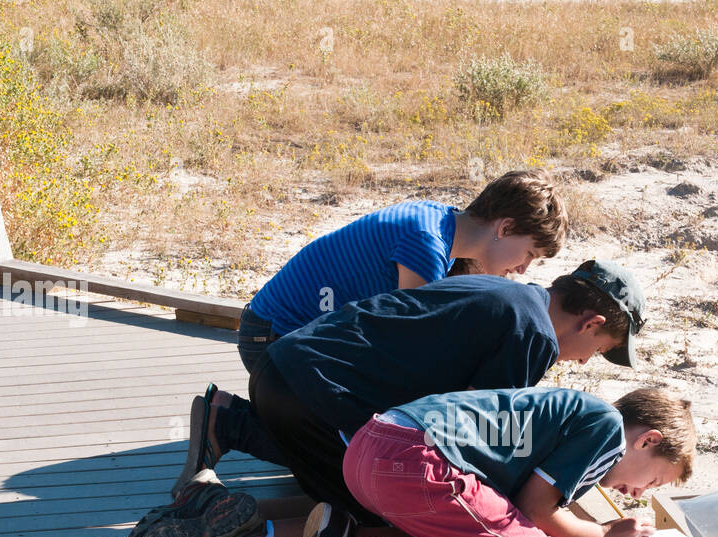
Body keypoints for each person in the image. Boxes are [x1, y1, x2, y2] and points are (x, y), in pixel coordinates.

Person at [127, 260, 649, 537]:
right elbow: (476, 440)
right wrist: (555, 530)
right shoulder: (531, 338)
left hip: (286, 368)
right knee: (392, 511)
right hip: (319, 393)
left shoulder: (508, 293)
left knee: (353, 481)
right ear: (591, 321)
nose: (583, 361)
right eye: (598, 349)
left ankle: (211, 494)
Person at [172, 170, 567, 496]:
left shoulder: (437, 219)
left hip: (274, 331)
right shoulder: (426, 248)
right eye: (529, 253)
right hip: (274, 339)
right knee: (364, 455)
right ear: (506, 226)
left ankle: (239, 418)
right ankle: (227, 422)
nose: (524, 270)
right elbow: (413, 350)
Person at [285, 386, 697, 537]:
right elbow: (536, 510)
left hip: (371, 446)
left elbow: (508, 516)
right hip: (418, 464)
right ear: (648, 440)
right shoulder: (607, 430)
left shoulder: (573, 408)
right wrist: (604, 535)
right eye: (655, 480)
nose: (640, 494)